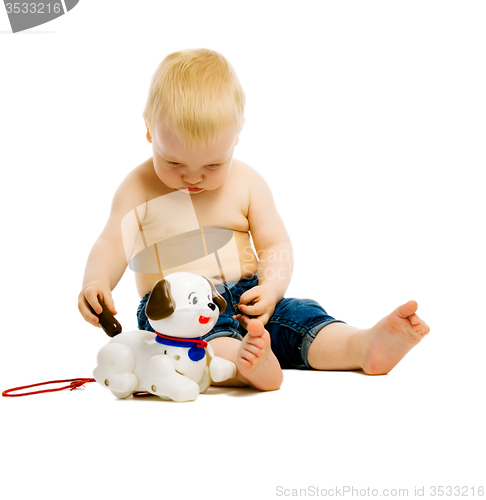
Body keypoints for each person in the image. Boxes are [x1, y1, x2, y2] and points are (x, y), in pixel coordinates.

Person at [78, 48, 429, 392]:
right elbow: (111, 243)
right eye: (174, 163)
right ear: (149, 130)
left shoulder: (246, 182)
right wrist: (97, 282)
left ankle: (362, 345)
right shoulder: (138, 188)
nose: (193, 177)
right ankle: (248, 365)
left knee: (299, 319)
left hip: (250, 298)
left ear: (236, 137)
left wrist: (272, 290)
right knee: (203, 346)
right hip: (177, 315)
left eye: (213, 165)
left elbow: (275, 244)